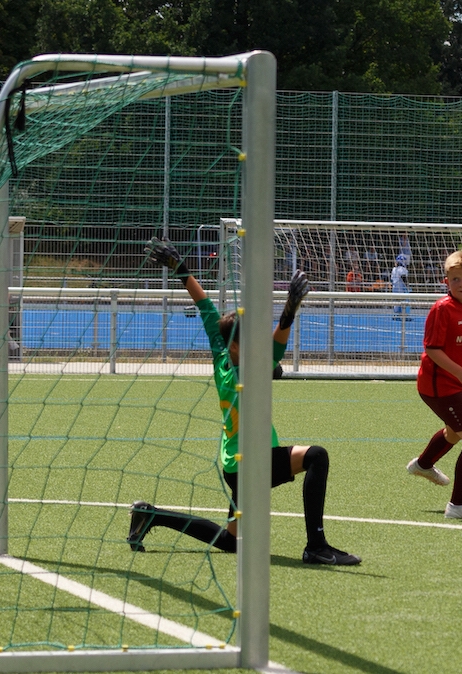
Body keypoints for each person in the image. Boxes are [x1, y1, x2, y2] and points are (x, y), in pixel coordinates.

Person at [129, 237, 360, 566]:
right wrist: (290, 309)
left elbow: (204, 305)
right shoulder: (247, 371)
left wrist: (180, 269)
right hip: (253, 462)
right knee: (316, 457)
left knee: (232, 541)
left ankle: (150, 515)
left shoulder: (223, 354)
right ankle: (316, 546)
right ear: (237, 346)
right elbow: (276, 349)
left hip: (236, 464)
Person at [405, 249, 462, 519]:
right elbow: (432, 349)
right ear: (446, 282)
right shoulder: (442, 309)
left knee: (454, 432)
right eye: (455, 279)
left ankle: (423, 465)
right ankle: (458, 506)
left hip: (456, 384)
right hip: (439, 386)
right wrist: (461, 372)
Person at [391, 253, 411, 319]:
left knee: (396, 301)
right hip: (401, 288)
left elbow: (392, 279)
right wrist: (408, 286)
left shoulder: (394, 269)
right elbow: (404, 278)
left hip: (394, 287)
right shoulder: (402, 269)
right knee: (403, 301)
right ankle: (404, 314)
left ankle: (396, 314)